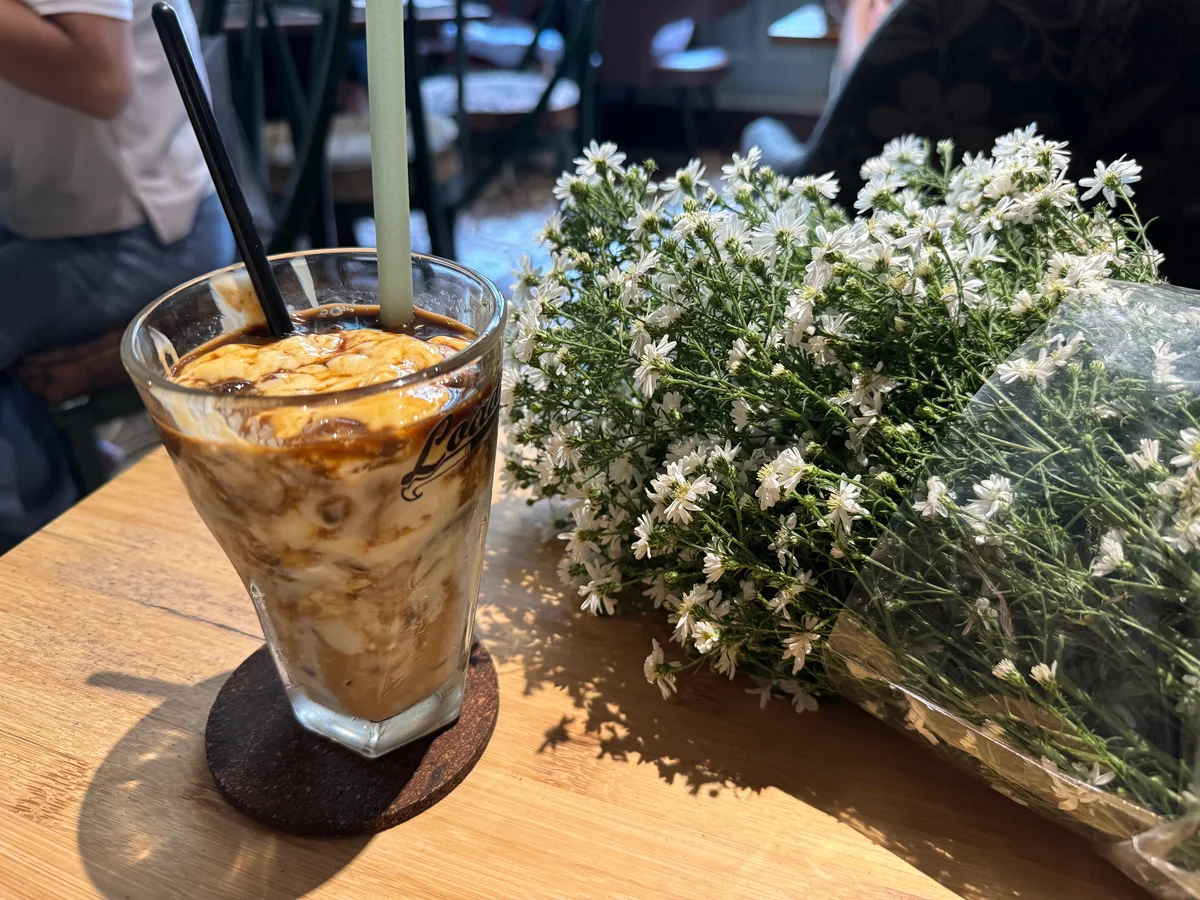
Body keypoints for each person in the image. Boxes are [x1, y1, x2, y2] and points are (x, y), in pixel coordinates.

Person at [0, 0, 234, 552]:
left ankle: (37, 549)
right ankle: (56, 482)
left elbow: (100, 76)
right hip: (51, 220)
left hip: (152, 233)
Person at [741, 0, 896, 174]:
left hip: (843, 175)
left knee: (758, 131)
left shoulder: (879, 22)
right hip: (895, 167)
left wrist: (857, 6)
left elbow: (855, 74)